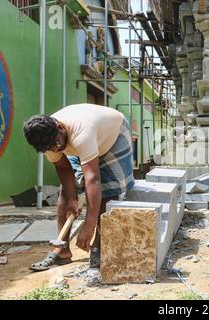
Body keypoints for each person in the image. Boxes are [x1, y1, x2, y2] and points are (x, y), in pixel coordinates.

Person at [23, 103, 135, 270]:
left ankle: (98, 246)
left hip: (112, 136)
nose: (56, 149)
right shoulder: (47, 139)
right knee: (65, 195)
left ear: (59, 127)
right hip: (78, 143)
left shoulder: (82, 131)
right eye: (50, 148)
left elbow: (93, 179)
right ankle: (62, 252)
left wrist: (88, 226)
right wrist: (71, 198)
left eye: (57, 144)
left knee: (107, 190)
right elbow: (63, 169)